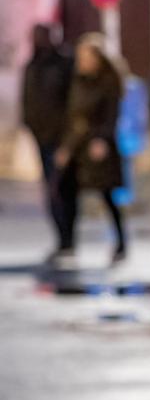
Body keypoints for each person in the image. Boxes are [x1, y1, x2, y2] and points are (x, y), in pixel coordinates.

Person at [54, 32, 128, 264]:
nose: (82, 61)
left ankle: (121, 243)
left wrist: (102, 140)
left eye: (87, 56)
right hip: (77, 145)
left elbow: (110, 116)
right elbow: (72, 116)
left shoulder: (109, 82)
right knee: (66, 191)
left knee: (106, 195)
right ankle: (68, 242)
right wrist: (65, 147)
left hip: (98, 145)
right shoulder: (77, 81)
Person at [21, 23, 74, 260]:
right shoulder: (32, 65)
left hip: (62, 138)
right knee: (52, 189)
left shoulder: (64, 63)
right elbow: (28, 100)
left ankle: (68, 239)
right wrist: (31, 126)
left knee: (64, 189)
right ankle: (63, 239)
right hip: (42, 137)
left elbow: (72, 101)